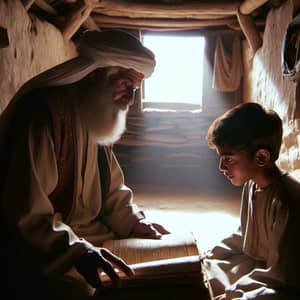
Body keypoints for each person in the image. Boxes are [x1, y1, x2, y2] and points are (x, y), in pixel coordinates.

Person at [0, 30, 169, 300]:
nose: (130, 100)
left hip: (89, 237)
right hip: (46, 247)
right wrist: (78, 252)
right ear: (94, 74)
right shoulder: (43, 117)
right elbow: (27, 216)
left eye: (135, 90)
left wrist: (132, 222)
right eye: (125, 85)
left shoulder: (95, 112)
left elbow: (112, 189)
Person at [203, 102, 300, 299]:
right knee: (208, 265)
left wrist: (237, 294)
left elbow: (282, 276)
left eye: (228, 159)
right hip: (259, 263)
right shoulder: (251, 185)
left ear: (261, 157)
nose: (221, 167)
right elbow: (246, 233)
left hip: (284, 277)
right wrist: (213, 252)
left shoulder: (286, 202)